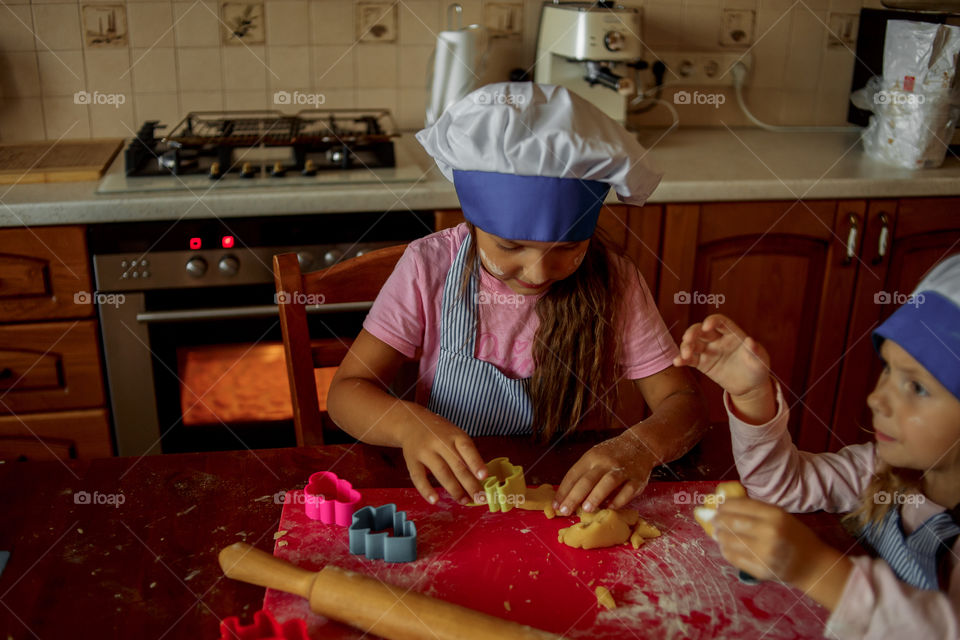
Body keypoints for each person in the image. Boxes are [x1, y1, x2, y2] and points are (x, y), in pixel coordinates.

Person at [327, 82, 708, 516]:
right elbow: (345, 394)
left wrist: (639, 447)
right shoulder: (427, 268)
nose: (538, 273)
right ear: (472, 221)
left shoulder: (616, 281)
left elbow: (686, 406)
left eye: (567, 248)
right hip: (448, 498)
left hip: (563, 496)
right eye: (509, 247)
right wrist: (407, 425)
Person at [674, 255, 960, 638]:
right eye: (889, 369)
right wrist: (751, 395)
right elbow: (782, 486)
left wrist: (815, 568)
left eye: (918, 387)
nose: (878, 399)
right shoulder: (879, 474)